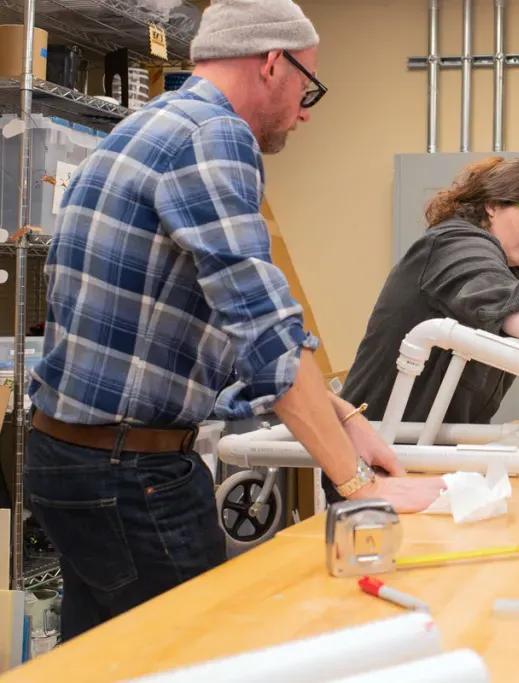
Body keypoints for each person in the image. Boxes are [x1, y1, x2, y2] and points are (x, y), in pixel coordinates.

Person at [25, 0, 443, 641]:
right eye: (311, 87)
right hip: (130, 475)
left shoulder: (148, 127)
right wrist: (358, 486)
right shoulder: (213, 136)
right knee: (195, 656)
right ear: (273, 63)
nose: (307, 112)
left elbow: (188, 333)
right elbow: (266, 332)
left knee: (103, 663)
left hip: (72, 460)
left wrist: (347, 419)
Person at [325, 156, 519, 503]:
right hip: (370, 460)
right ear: (492, 206)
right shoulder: (451, 243)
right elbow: (503, 296)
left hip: (429, 455)